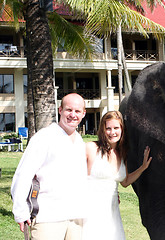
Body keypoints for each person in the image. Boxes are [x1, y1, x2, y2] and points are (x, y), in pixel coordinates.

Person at [11, 93, 88, 240]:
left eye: (77, 111)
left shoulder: (79, 141)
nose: (73, 115)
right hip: (48, 218)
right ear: (60, 110)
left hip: (76, 218)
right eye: (68, 110)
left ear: (83, 113)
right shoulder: (44, 137)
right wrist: (21, 212)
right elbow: (23, 175)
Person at [82, 111, 152, 240]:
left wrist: (142, 168)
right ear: (102, 130)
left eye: (116, 128)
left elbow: (125, 182)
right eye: (108, 128)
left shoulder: (122, 154)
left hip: (112, 214)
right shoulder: (90, 148)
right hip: (90, 211)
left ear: (122, 129)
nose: (112, 132)